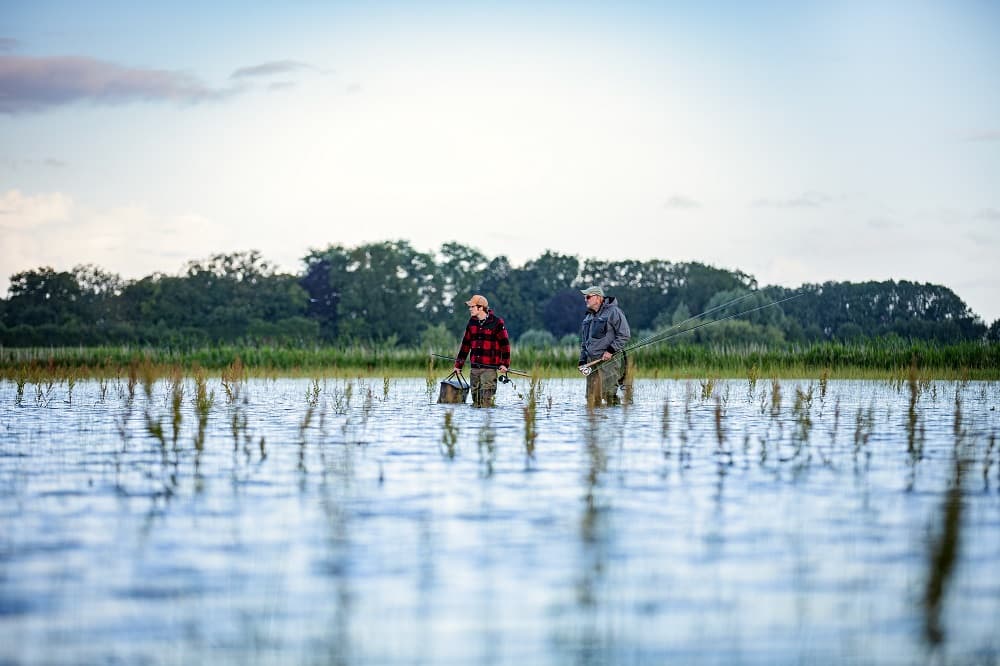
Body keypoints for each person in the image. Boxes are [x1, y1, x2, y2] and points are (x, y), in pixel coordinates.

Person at [454, 294, 510, 407]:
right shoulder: (471, 323)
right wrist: (458, 365)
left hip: (489, 370)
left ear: (480, 308)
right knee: (476, 404)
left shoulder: (497, 323)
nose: (470, 309)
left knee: (486, 403)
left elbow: (505, 345)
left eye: (472, 307)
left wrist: (505, 364)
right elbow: (465, 345)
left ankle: (487, 424)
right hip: (474, 370)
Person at [578, 285, 631, 406]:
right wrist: (582, 361)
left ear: (598, 298)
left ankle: (614, 423)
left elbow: (625, 334)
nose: (586, 300)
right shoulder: (588, 317)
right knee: (591, 398)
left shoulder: (614, 312)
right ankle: (594, 424)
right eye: (585, 297)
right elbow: (584, 342)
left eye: (588, 297)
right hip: (591, 363)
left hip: (609, 362)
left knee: (609, 395)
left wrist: (610, 351)